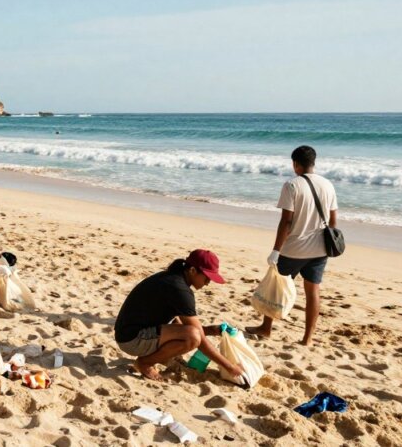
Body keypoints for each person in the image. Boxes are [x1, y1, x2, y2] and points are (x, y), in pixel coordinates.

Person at [247, 145, 338, 347]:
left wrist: (276, 250)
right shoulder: (328, 184)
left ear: (295, 164)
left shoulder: (292, 185)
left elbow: (286, 222)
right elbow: (333, 219)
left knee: (277, 288)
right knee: (313, 291)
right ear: (313, 163)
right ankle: (307, 338)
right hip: (320, 249)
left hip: (294, 249)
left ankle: (266, 328)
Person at [114, 250, 243, 382]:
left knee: (187, 328)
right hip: (132, 340)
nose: (208, 282)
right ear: (192, 270)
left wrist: (212, 330)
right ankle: (145, 363)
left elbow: (182, 324)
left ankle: (159, 356)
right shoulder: (179, 289)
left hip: (127, 333)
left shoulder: (172, 278)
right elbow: (199, 339)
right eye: (207, 277)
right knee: (192, 337)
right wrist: (230, 367)